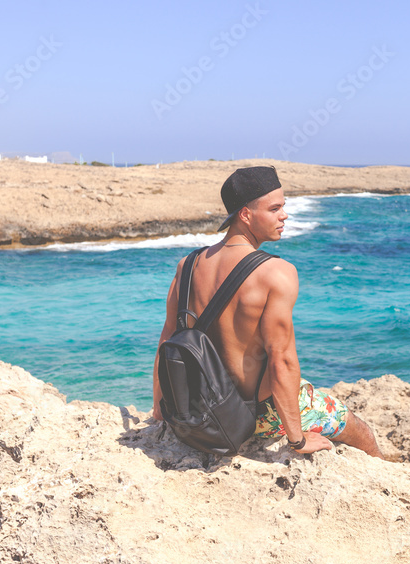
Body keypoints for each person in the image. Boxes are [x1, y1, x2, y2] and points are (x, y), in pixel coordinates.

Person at [151, 166, 384, 458]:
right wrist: (298, 440)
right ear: (245, 215)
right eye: (274, 209)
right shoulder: (275, 273)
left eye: (283, 206)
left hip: (193, 406)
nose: (284, 215)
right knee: (361, 431)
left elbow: (168, 336)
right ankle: (387, 467)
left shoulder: (188, 264)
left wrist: (161, 404)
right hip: (253, 416)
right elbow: (282, 361)